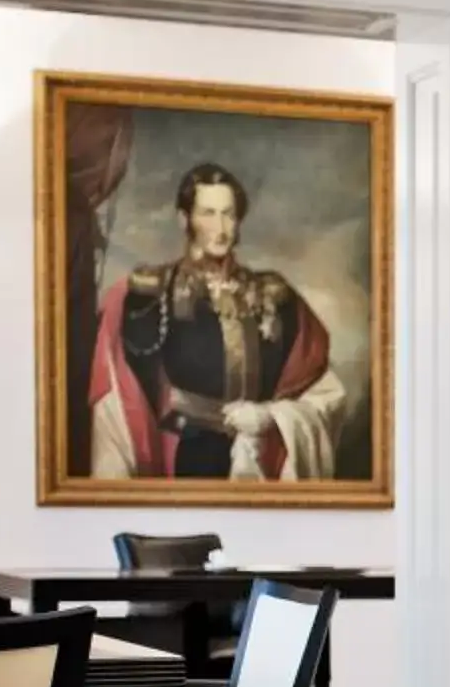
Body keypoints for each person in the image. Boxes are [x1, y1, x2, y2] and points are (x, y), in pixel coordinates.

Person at [90, 162, 351, 481]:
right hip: (181, 462)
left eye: (229, 214)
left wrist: (270, 418)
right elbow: (116, 398)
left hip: (257, 460)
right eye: (208, 213)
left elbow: (325, 393)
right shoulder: (148, 293)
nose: (221, 227)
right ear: (184, 219)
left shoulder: (275, 296)